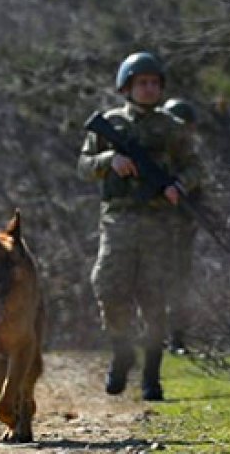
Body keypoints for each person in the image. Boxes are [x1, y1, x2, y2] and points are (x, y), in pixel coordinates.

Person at [77, 52, 200, 402]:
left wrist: (180, 186)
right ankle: (122, 351)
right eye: (141, 83)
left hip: (160, 222)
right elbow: (83, 165)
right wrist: (108, 161)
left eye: (153, 83)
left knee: (154, 298)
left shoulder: (172, 128)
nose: (148, 89)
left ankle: (151, 376)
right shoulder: (111, 124)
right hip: (118, 219)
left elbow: (195, 167)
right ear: (127, 87)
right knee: (108, 287)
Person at [159, 97, 200, 355]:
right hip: (153, 226)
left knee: (179, 283)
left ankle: (177, 338)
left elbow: (199, 187)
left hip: (181, 228)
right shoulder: (158, 156)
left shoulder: (189, 160)